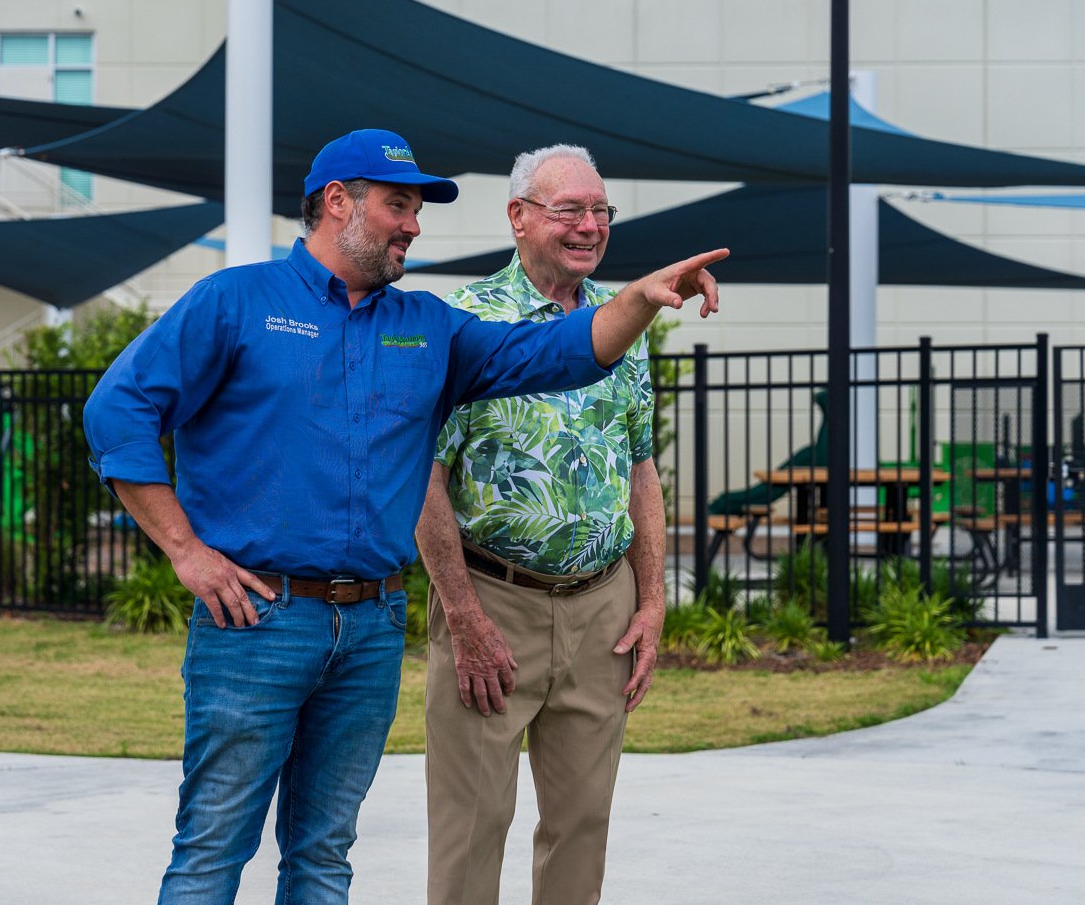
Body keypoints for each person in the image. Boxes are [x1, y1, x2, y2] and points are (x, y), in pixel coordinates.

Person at [82, 127, 727, 905]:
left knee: (323, 854)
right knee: (213, 849)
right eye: (398, 205)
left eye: (417, 208)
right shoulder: (236, 302)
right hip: (257, 625)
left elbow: (556, 353)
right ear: (336, 202)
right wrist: (185, 550)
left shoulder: (427, 327)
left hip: (369, 628)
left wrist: (637, 300)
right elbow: (117, 414)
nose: (413, 225)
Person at [417, 144, 665, 905]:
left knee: (582, 825)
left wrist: (651, 600)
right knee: (472, 827)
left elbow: (640, 465)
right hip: (492, 604)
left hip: (602, 610)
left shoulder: (622, 322)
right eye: (571, 210)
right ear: (519, 218)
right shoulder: (462, 321)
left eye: (600, 211)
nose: (590, 226)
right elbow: (422, 475)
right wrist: (461, 613)